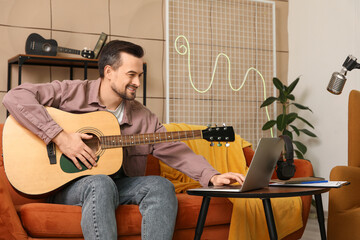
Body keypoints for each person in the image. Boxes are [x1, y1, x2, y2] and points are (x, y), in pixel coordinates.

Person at [2, 40, 245, 240]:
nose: (137, 82)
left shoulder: (142, 117)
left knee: (161, 186)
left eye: (139, 75)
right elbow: (15, 97)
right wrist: (61, 137)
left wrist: (211, 175)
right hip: (65, 186)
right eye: (131, 74)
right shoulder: (71, 92)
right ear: (108, 72)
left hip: (118, 186)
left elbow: (174, 149)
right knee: (100, 183)